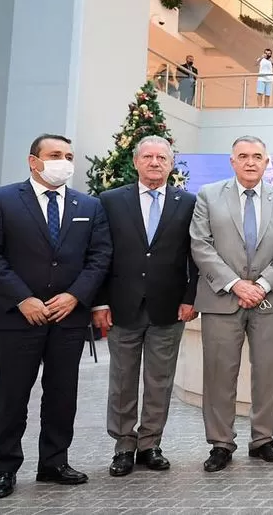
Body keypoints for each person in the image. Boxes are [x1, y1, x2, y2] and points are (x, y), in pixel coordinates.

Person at [0, 134, 113, 500]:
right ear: (33, 161)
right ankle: (4, 468)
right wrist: (23, 299)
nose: (63, 161)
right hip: (18, 318)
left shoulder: (89, 205)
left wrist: (75, 295)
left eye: (68, 155)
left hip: (67, 318)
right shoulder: (0, 199)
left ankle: (54, 462)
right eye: (54, 155)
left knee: (62, 396)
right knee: (13, 397)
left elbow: (99, 258)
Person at [189, 135, 273, 473]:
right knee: (219, 374)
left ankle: (263, 439)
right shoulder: (209, 196)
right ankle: (221, 443)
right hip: (222, 297)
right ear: (232, 161)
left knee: (268, 373)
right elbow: (201, 244)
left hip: (270, 300)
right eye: (243, 156)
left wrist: (263, 284)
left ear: (267, 162)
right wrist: (237, 284)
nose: (250, 162)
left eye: (257, 156)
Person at [91, 136, 198, 477]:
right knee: (122, 380)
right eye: (148, 157)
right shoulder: (110, 201)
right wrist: (99, 302)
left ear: (171, 164)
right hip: (122, 306)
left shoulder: (188, 202)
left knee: (159, 380)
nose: (155, 162)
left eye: (162, 157)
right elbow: (99, 254)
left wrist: (190, 297)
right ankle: (123, 445)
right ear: (136, 162)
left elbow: (195, 255)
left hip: (169, 307)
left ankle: (150, 443)